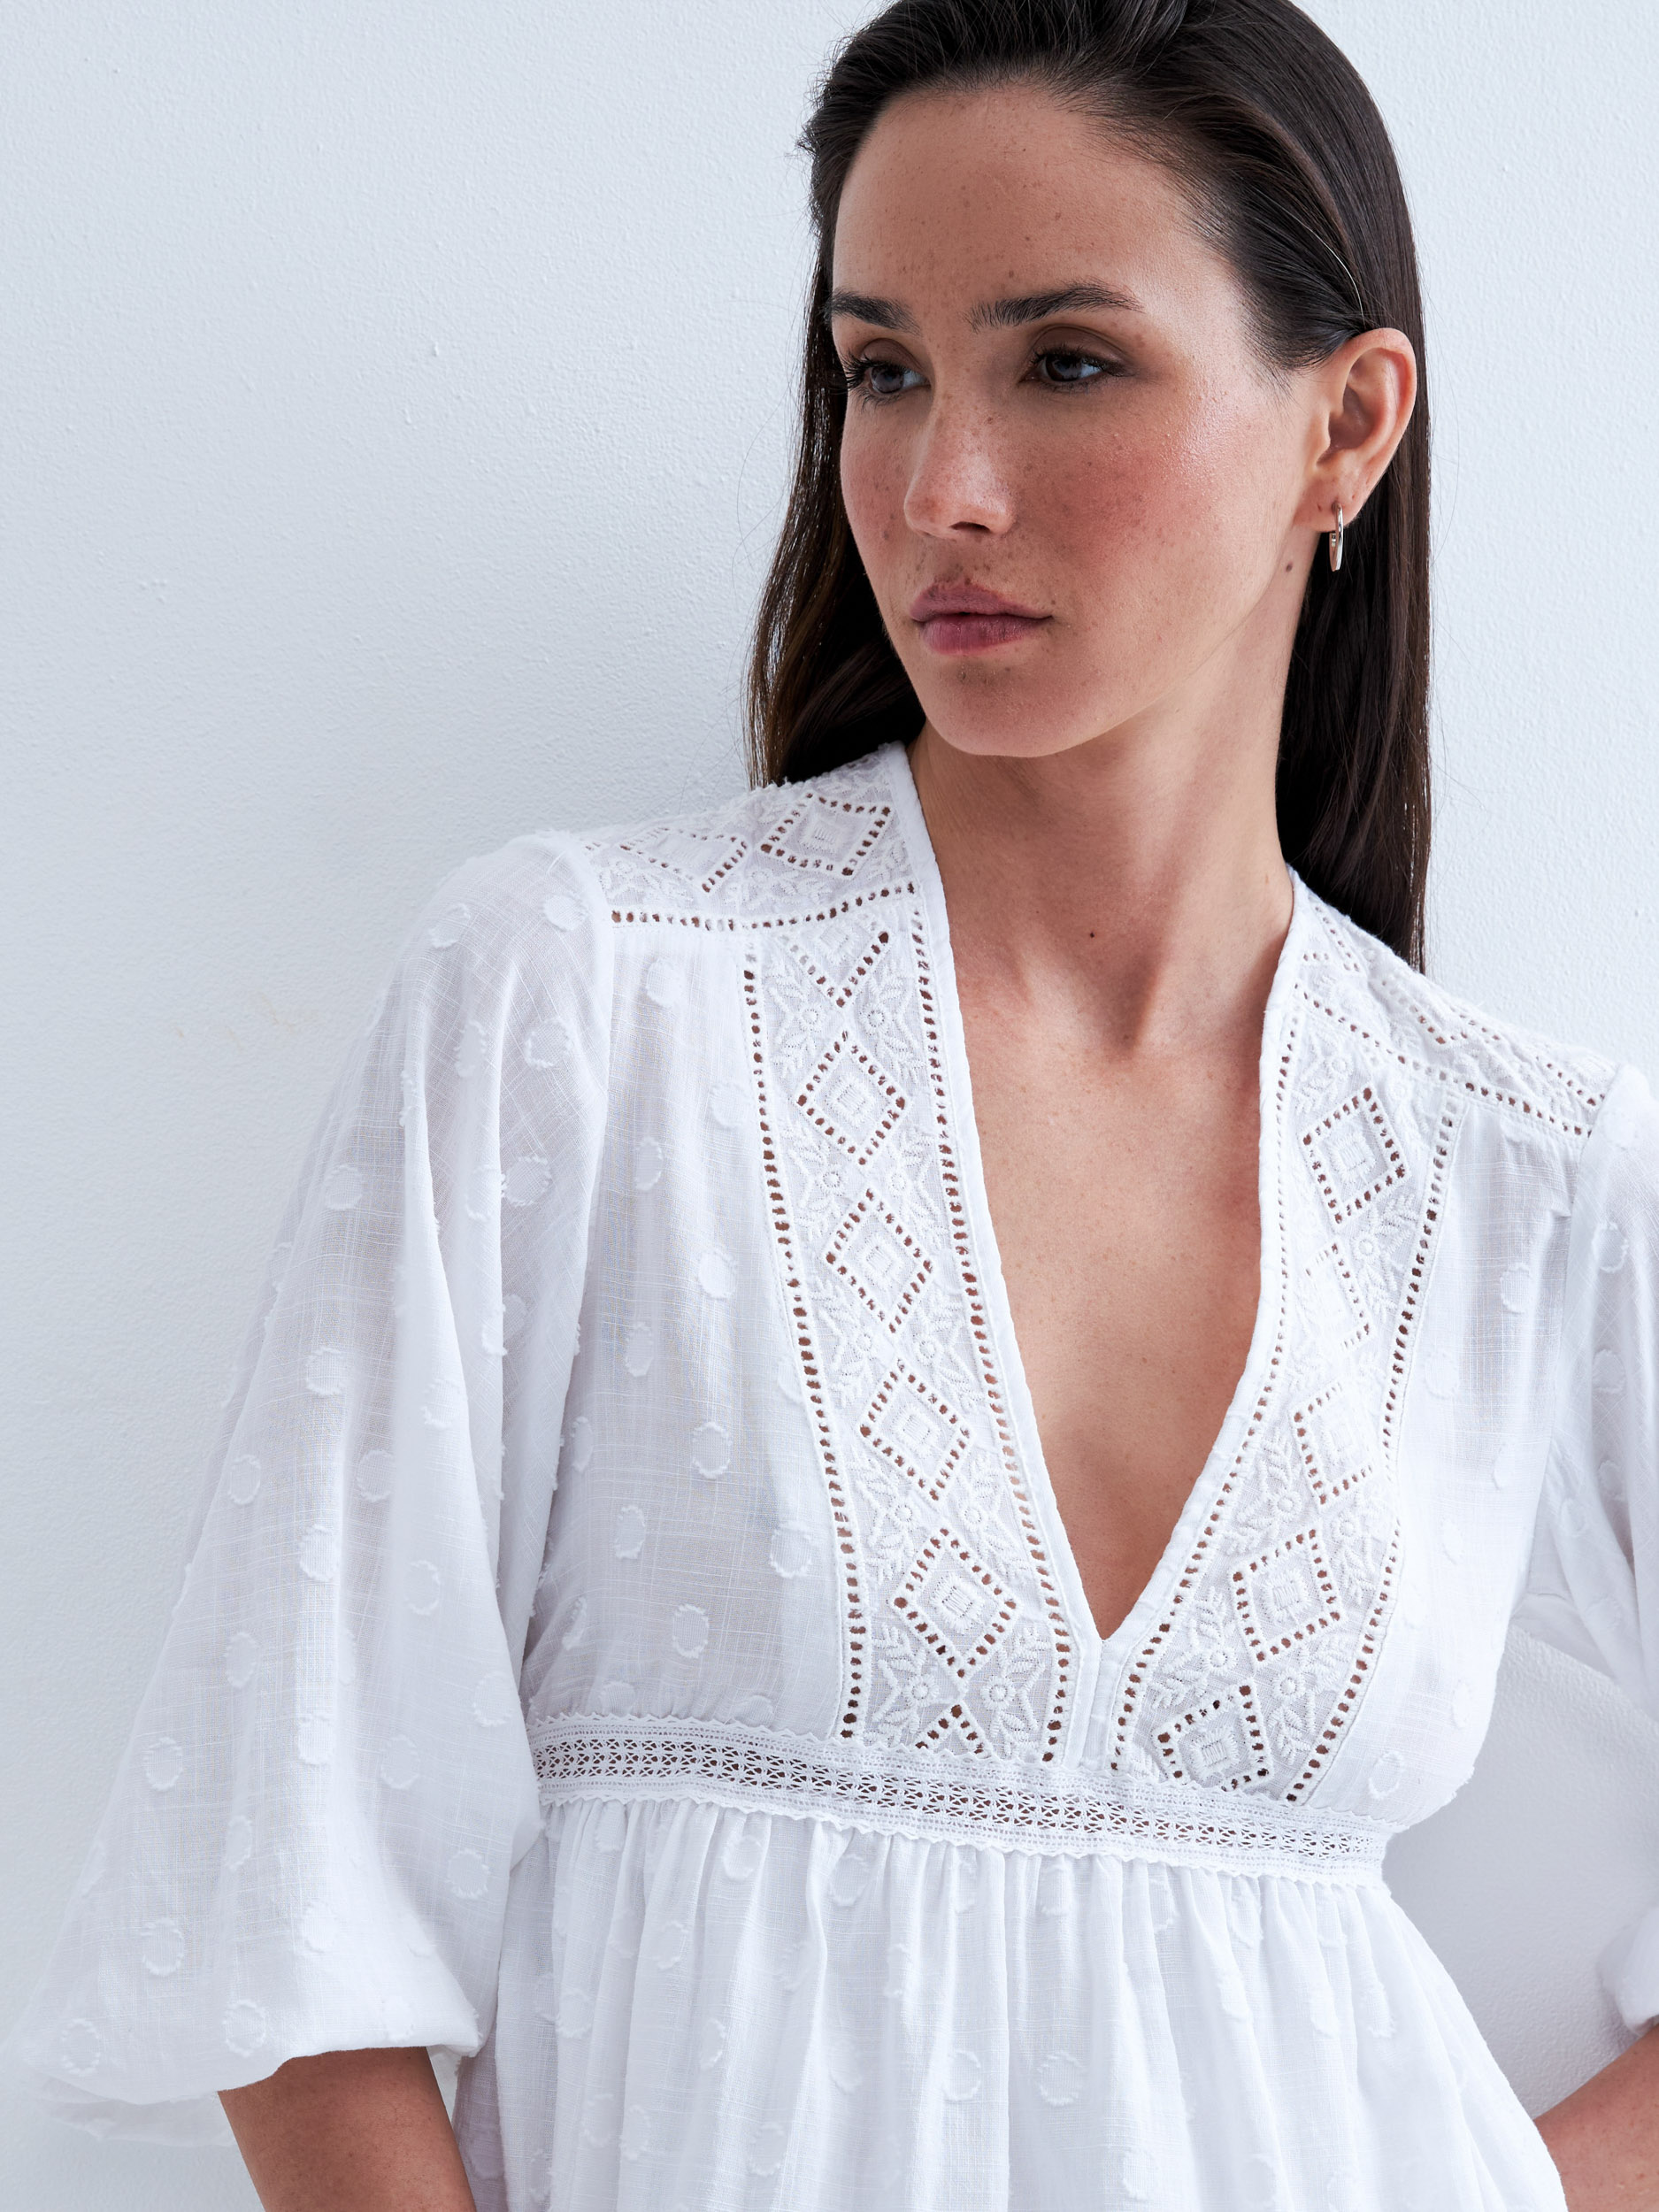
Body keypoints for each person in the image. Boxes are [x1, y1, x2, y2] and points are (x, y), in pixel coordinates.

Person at [9, 0, 1659, 2205]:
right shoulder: (589, 998)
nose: (937, 486)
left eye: (1064, 362)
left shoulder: (1523, 1169)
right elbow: (285, 1902)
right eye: (881, 370)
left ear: (1341, 427)